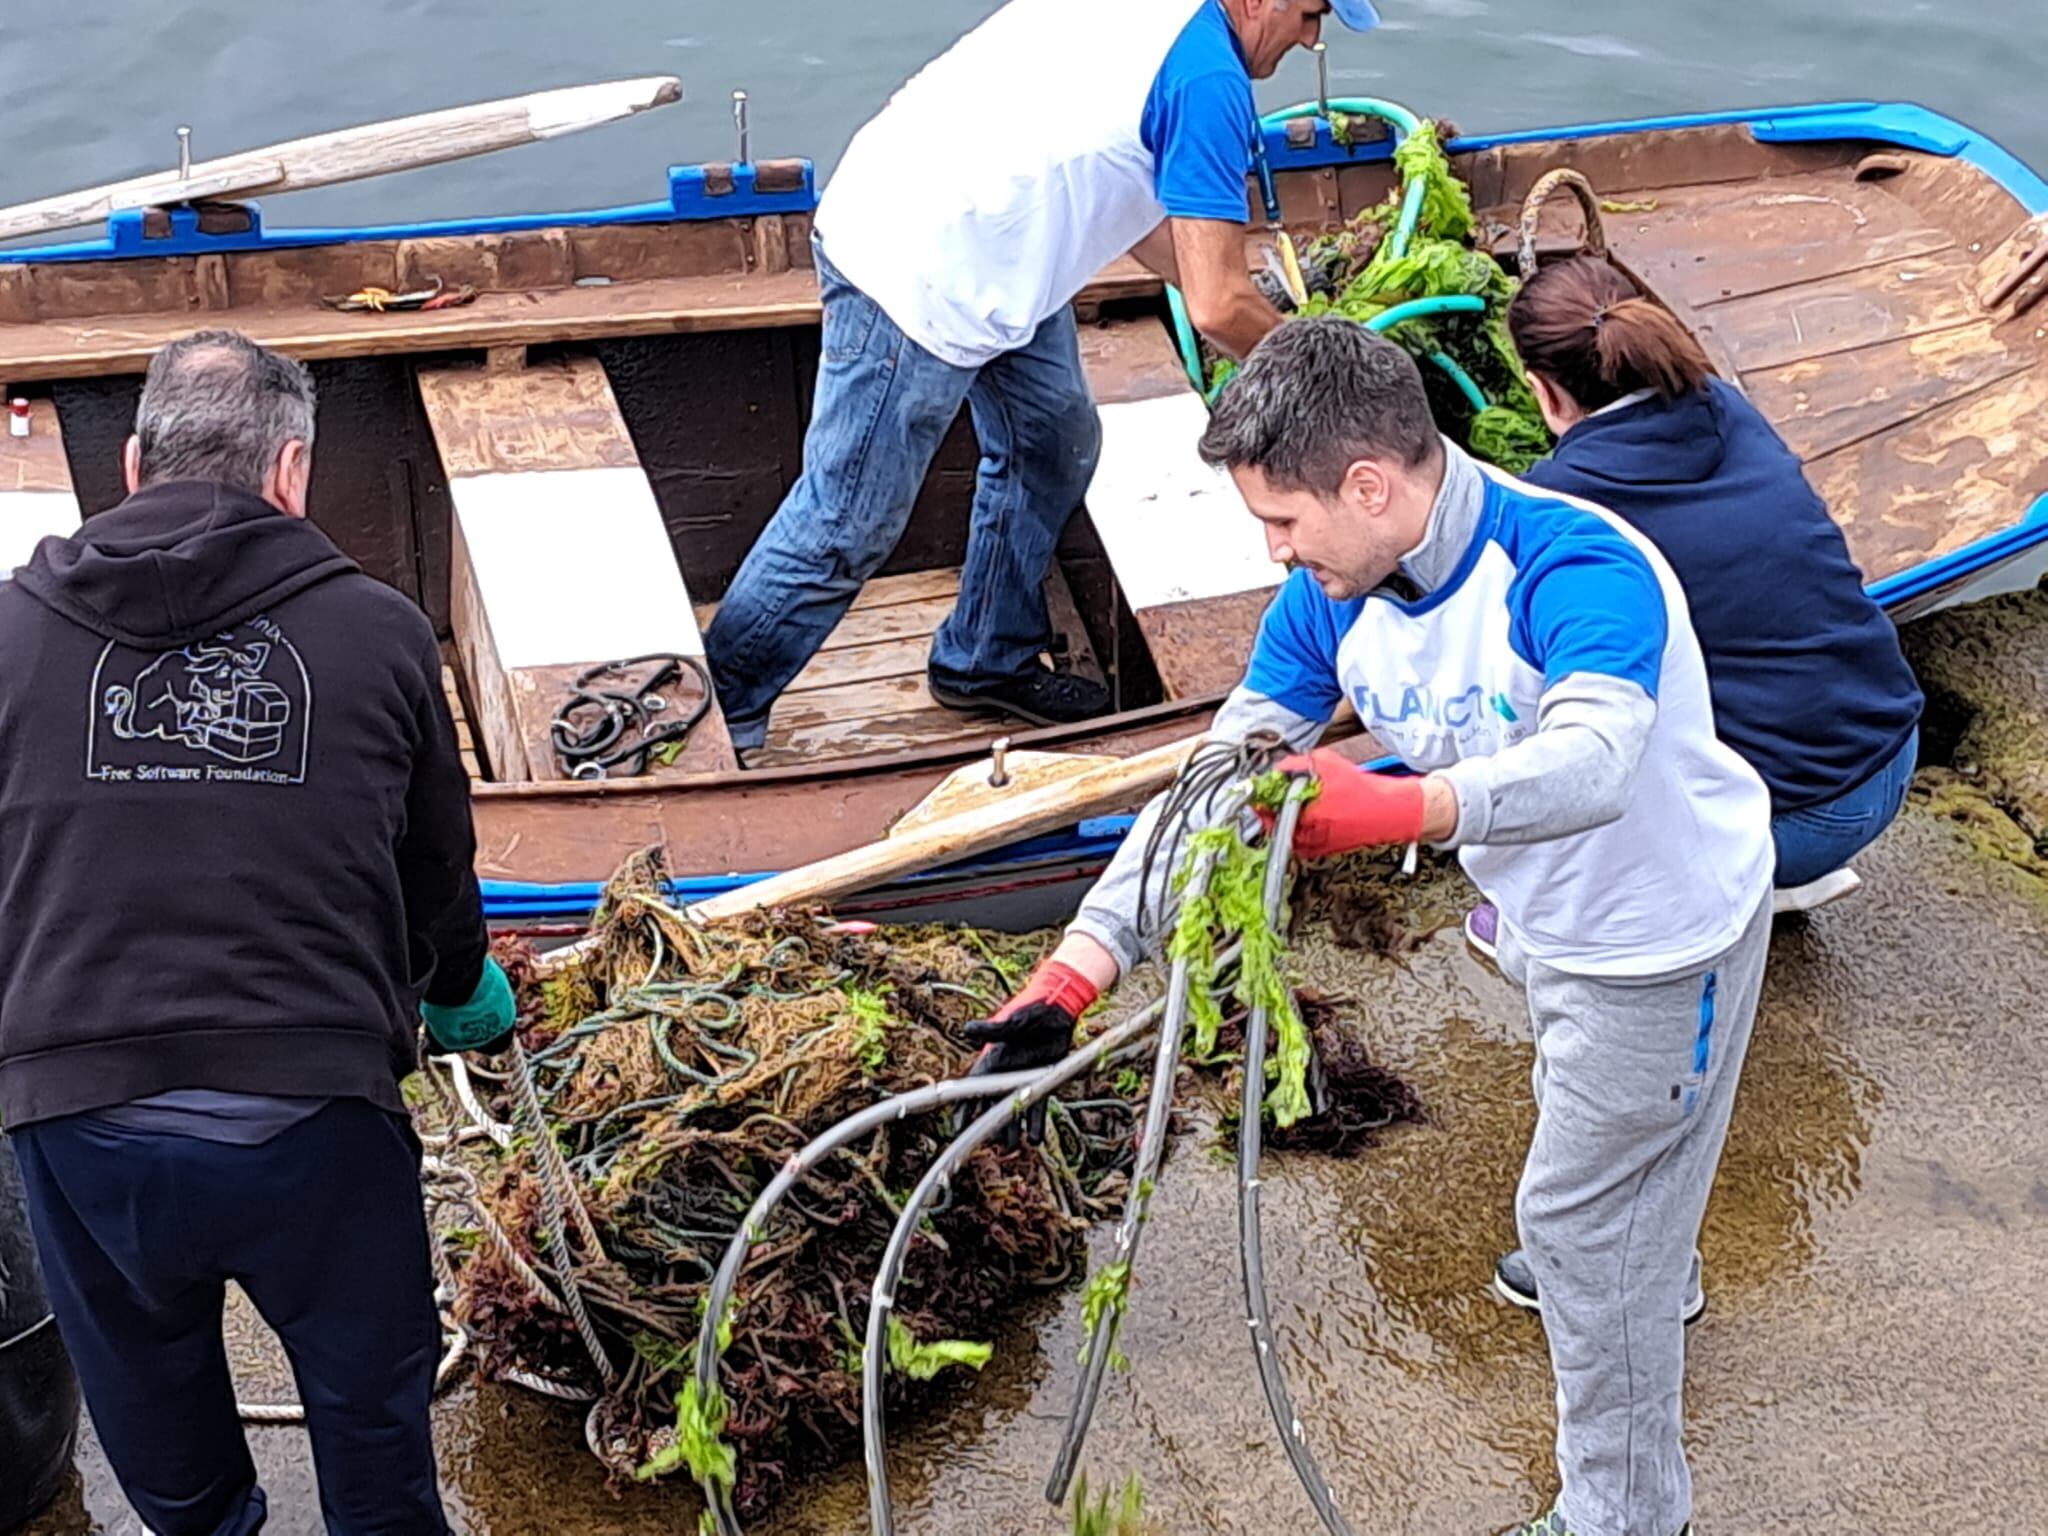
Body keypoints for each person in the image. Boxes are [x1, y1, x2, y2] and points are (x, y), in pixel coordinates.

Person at [966, 318, 1771, 1536]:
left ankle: (1622, 1513)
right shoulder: (1327, 598)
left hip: (1660, 936)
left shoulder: (1570, 566)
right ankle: (1651, 1262)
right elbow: (1215, 784)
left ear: (1368, 483)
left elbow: (1595, 763)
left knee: (1575, 1222)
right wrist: (1081, 966)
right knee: (1619, 1181)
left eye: (1282, 523)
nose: (1276, 552)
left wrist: (1400, 805)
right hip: (1547, 917)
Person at [0, 330, 516, 1536]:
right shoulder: (380, 634)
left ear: (131, 463)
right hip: (313, 1120)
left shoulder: (8, 638)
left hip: (80, 1114)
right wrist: (457, 991)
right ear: (291, 475)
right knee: (373, 1437)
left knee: (168, 1452)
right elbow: (436, 872)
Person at [705, 0, 1381, 755]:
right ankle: (721, 710)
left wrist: (1247, 305)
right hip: (915, 265)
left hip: (983, 227)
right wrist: (1333, 378)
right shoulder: (1207, 79)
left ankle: (984, 656)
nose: (1314, 37)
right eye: (1314, 11)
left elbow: (1167, 234)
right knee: (846, 521)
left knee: (1054, 440)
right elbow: (1216, 305)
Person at [1490, 255, 1923, 926]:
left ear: (1542, 392)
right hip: (1893, 751)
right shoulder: (1724, 404)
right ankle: (1758, 873)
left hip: (1803, 819)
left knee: (1563, 730)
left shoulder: (1560, 503)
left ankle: (1695, 888)